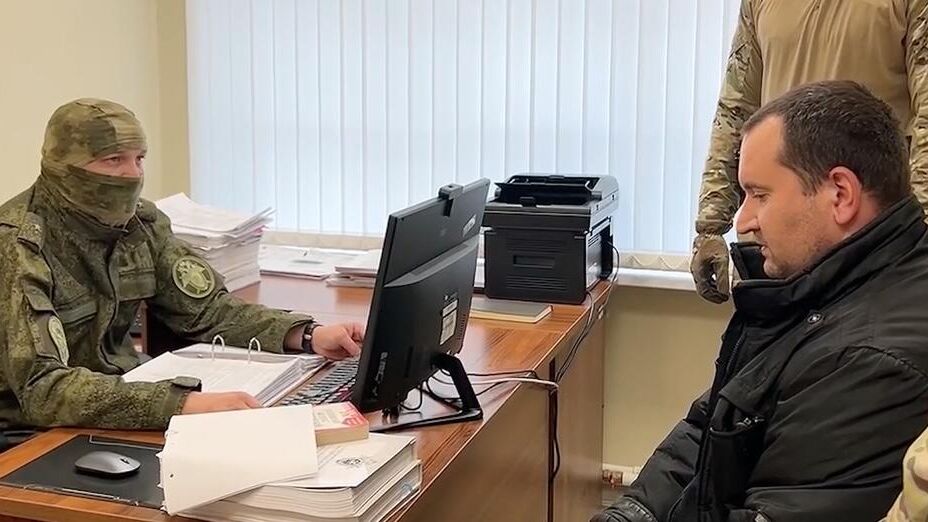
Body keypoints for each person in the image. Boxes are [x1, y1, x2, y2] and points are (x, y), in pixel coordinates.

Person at [593, 81, 928, 521]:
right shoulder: (819, 289)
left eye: (759, 195)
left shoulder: (870, 361)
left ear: (841, 195)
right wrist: (633, 513)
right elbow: (715, 425)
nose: (743, 221)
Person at [0, 98, 364, 431]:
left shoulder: (140, 224)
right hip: (36, 435)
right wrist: (180, 404)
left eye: (139, 159)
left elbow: (207, 310)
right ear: (64, 167)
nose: (133, 174)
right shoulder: (17, 245)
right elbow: (44, 389)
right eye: (114, 160)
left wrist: (307, 335)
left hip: (121, 404)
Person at [691, 0, 928, 303]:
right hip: (774, 238)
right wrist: (710, 226)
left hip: (864, 241)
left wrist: (920, 236)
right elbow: (735, 109)